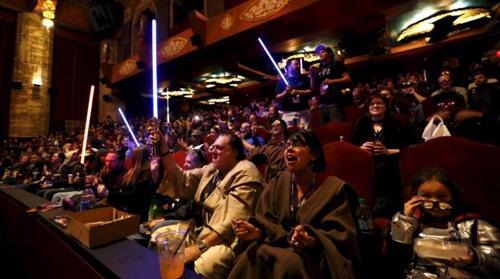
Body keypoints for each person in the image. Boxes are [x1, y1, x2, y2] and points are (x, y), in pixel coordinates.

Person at [228, 130, 361, 279]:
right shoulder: (278, 183)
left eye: (297, 145)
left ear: (314, 155)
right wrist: (257, 231)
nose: (289, 149)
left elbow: (341, 236)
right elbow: (266, 220)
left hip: (314, 255)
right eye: (287, 145)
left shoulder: (333, 189)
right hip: (276, 244)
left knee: (290, 263)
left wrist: (312, 241)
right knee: (250, 255)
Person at [153, 131, 264, 279]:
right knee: (159, 238)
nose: (213, 151)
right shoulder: (212, 169)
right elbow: (180, 177)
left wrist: (199, 248)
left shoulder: (246, 172)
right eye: (213, 147)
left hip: (229, 240)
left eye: (219, 148)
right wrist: (164, 150)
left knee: (209, 263)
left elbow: (231, 222)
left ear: (235, 152)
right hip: (201, 230)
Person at [389, 168, 500, 279]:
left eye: (441, 196)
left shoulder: (474, 224)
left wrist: (475, 259)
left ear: (453, 195)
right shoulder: (413, 222)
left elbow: (496, 264)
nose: (435, 202)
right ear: (415, 197)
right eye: (426, 196)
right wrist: (405, 220)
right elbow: (396, 259)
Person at [353, 95, 408, 217]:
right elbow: (352, 147)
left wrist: (387, 151)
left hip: (390, 164)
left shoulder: (394, 123)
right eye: (372, 104)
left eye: (379, 103)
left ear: (386, 107)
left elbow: (406, 147)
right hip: (366, 165)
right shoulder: (361, 123)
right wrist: (361, 149)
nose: (375, 106)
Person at [97, 146, 153, 222]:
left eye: (112, 161)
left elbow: (133, 196)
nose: (108, 164)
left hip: (135, 215)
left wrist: (108, 193)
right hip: (127, 210)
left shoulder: (144, 174)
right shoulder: (134, 173)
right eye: (107, 161)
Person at [310, 45, 351, 125]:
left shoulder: (336, 64)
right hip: (322, 104)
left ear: (330, 54)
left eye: (323, 52)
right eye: (319, 53)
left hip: (335, 103)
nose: (320, 54)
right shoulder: (318, 69)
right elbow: (313, 87)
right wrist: (312, 75)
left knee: (337, 128)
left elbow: (348, 79)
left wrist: (332, 81)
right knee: (325, 131)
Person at [274, 58, 312, 129]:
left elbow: (309, 91)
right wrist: (285, 92)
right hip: (288, 112)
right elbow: (276, 98)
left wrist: (298, 92)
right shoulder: (282, 80)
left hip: (303, 110)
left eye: (298, 64)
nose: (298, 66)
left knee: (305, 134)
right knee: (288, 134)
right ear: (289, 66)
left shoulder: (303, 77)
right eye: (296, 64)